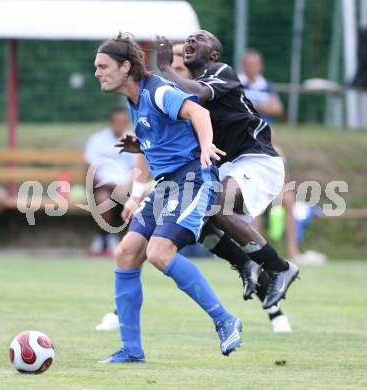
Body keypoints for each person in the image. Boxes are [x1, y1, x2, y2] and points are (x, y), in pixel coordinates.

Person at [94, 32, 242, 363]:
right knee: (126, 252)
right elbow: (148, 148)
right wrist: (134, 194)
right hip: (165, 185)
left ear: (125, 66)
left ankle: (225, 320)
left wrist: (206, 145)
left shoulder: (158, 90)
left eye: (103, 66)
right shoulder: (135, 101)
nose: (97, 73)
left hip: (192, 178)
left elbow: (199, 114)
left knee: (159, 252)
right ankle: (131, 350)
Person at [156, 30, 299, 323]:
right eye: (189, 40)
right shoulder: (187, 92)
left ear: (214, 54)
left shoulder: (221, 72)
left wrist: (165, 69)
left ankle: (280, 268)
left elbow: (199, 92)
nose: (191, 42)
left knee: (217, 204)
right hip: (229, 166)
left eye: (200, 38)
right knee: (198, 218)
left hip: (258, 159)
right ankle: (244, 263)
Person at [239, 50, 327, 266]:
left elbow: (277, 107)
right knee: (255, 203)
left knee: (288, 199)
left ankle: (293, 251)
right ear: (243, 65)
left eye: (256, 63)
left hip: (266, 165)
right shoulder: (238, 84)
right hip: (245, 163)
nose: (252, 67)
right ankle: (256, 253)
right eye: (248, 63)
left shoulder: (265, 86)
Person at [84, 107, 136, 257]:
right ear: (111, 122)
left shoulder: (133, 140)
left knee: (141, 203)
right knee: (103, 199)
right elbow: (89, 168)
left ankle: (134, 244)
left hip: (126, 187)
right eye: (117, 121)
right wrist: (100, 183)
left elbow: (137, 169)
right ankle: (107, 238)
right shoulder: (97, 140)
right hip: (102, 186)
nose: (120, 124)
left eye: (123, 121)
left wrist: (128, 184)